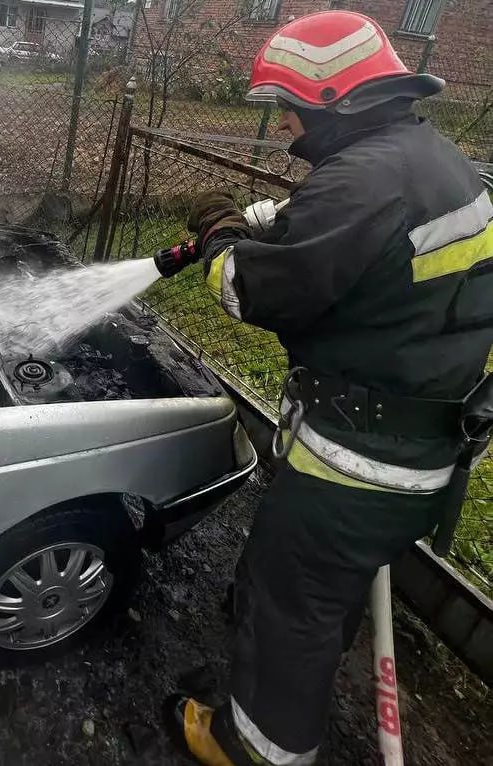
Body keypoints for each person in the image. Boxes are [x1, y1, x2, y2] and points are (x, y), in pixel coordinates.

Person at [155, 10, 493, 765]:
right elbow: (382, 263)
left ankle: (253, 745)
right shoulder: (439, 161)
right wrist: (296, 222)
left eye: (293, 108)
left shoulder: (360, 184)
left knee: (293, 607)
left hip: (354, 464)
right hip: (428, 446)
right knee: (318, 595)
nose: (286, 125)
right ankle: (268, 667)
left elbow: (251, 290)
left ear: (337, 102)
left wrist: (218, 235)